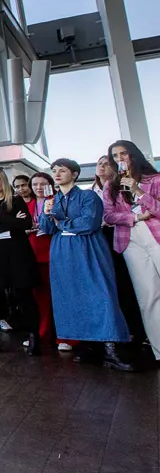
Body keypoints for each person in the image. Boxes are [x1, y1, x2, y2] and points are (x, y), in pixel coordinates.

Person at [40, 158, 136, 371]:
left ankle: (112, 350)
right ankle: (87, 347)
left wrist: (60, 223)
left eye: (62, 170)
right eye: (54, 171)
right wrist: (46, 214)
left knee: (101, 294)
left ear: (74, 174)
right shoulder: (52, 199)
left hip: (87, 248)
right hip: (62, 252)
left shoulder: (88, 196)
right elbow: (46, 229)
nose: (57, 174)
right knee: (71, 296)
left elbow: (89, 223)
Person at [104, 140, 160, 363]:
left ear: (133, 155)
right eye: (115, 156)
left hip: (156, 236)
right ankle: (159, 351)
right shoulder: (111, 186)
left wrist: (138, 191)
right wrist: (134, 216)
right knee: (148, 296)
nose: (120, 159)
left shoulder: (154, 179)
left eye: (123, 154)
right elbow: (108, 216)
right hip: (130, 240)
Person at [0, 167, 39, 355]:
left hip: (17, 253)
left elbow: (26, 223)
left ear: (3, 181)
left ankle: (34, 336)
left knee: (24, 294)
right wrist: (11, 222)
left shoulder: (15, 200)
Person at [94, 153, 148, 349]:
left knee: (128, 281)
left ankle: (139, 330)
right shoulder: (91, 191)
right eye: (99, 163)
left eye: (107, 163)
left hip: (120, 233)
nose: (102, 167)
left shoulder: (121, 188)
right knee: (112, 283)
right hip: (99, 237)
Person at [26, 172, 61, 351]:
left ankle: (66, 336)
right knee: (40, 296)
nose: (39, 187)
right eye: (35, 184)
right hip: (33, 251)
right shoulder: (28, 205)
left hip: (55, 249)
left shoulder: (58, 200)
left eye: (43, 184)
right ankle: (42, 333)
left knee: (60, 294)